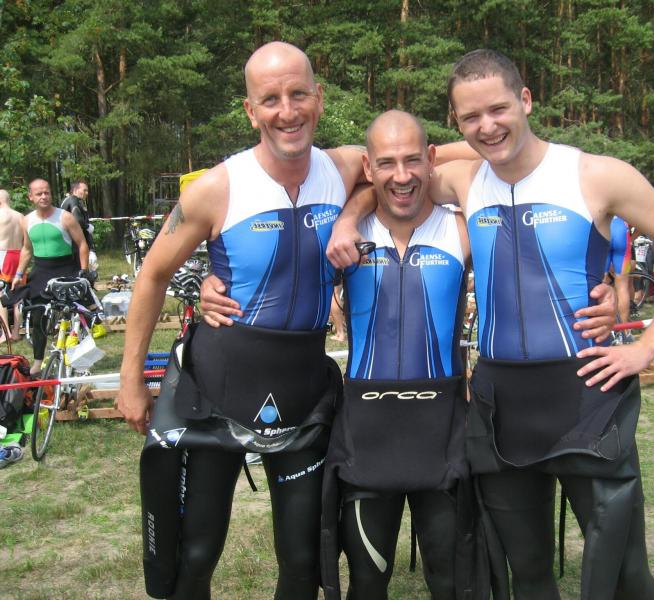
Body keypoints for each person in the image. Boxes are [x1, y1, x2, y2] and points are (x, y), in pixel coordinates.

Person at [328, 49, 654, 599]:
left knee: (625, 573)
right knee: (528, 575)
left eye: (498, 109)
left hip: (585, 392)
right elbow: (389, 181)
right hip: (502, 404)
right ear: (457, 122)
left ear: (526, 99)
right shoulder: (465, 180)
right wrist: (347, 219)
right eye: (471, 116)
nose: (487, 126)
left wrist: (646, 346)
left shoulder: (595, 174)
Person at [116, 41, 378, 600]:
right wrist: (131, 379)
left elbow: (423, 159)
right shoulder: (218, 186)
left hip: (302, 389)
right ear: (250, 110)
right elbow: (152, 275)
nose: (288, 111)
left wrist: (350, 215)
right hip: (220, 387)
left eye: (299, 94)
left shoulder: (344, 166)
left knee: (303, 558)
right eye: (271, 99)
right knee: (196, 552)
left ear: (319, 97)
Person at [321, 111, 471, 600]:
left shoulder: (462, 229)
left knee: (451, 581)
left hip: (441, 429)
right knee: (367, 582)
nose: (401, 176)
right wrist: (214, 283)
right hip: (367, 431)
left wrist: (602, 290)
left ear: (431, 159)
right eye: (386, 163)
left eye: (413, 160)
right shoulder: (343, 236)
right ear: (367, 167)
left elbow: (498, 154)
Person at [12, 179, 88, 375]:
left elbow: (82, 244)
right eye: (39, 194)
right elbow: (27, 249)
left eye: (47, 192)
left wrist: (84, 272)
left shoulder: (65, 217)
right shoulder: (26, 220)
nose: (44, 196)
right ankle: (38, 362)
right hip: (41, 270)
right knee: (37, 318)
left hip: (65, 269)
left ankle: (77, 358)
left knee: (74, 315)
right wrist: (19, 273)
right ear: (31, 197)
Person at [0, 190, 25, 342]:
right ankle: (16, 332)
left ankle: (5, 333)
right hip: (19, 255)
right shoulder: (20, 216)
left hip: (3, 255)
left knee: (1, 295)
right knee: (18, 297)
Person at [61, 180, 97, 270]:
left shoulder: (67, 200)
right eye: (84, 190)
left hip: (68, 243)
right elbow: (78, 220)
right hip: (75, 244)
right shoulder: (73, 199)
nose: (87, 193)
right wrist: (87, 226)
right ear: (75, 190)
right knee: (82, 271)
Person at [607, 216, 633, 324]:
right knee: (622, 287)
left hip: (604, 229)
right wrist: (632, 238)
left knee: (600, 284)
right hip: (621, 230)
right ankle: (624, 329)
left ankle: (604, 328)